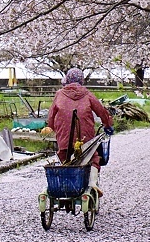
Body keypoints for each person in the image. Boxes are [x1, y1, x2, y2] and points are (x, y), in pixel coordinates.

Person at [47, 68, 114, 196]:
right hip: (85, 137)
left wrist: (52, 128)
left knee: (65, 156)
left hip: (64, 137)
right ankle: (92, 183)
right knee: (93, 157)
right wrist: (107, 124)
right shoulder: (88, 94)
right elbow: (102, 112)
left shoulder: (59, 94)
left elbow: (51, 116)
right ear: (81, 80)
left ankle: (66, 185)